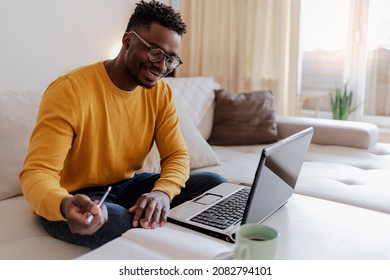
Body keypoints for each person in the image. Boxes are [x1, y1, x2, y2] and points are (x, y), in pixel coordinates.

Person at [19, 0, 226, 250]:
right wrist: (62, 204)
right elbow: (37, 173)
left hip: (125, 185)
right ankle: (155, 227)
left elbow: (176, 155)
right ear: (128, 41)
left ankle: (152, 221)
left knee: (214, 184)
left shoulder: (161, 94)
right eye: (155, 52)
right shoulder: (70, 91)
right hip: (73, 197)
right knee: (114, 219)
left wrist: (162, 193)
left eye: (170, 59)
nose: (161, 66)